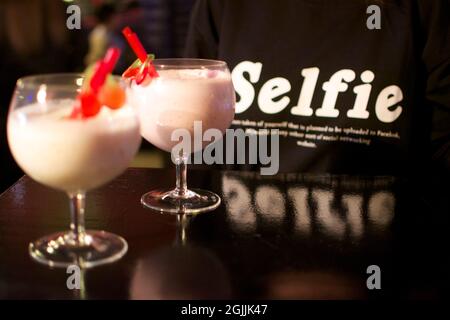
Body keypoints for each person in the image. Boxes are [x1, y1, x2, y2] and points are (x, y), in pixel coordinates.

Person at [184, 0, 450, 175]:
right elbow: (195, 140)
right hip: (239, 249)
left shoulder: (426, 10)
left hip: (376, 252)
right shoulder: (222, 6)